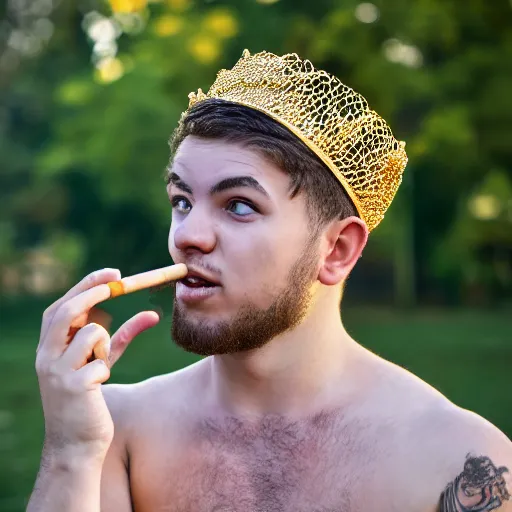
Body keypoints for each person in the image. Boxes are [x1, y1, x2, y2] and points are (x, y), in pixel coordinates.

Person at [28, 50, 511, 512]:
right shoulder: (114, 431)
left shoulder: (460, 464)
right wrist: (70, 452)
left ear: (336, 250)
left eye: (239, 205)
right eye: (181, 200)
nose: (188, 236)